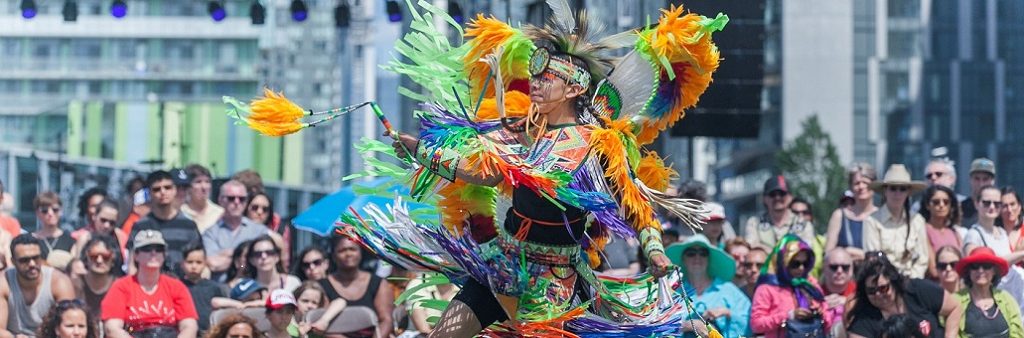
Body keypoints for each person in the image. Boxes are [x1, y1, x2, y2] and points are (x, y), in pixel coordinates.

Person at [101, 230, 199, 338]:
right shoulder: (121, 287)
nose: (153, 253)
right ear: (136, 255)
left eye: (158, 249)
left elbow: (189, 326)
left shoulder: (176, 287)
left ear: (164, 255)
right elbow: (112, 328)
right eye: (147, 249)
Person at [846, 253, 962, 338]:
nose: (878, 294)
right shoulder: (862, 321)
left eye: (883, 288)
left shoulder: (917, 289)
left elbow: (954, 308)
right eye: (871, 291)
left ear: (894, 282)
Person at [666, 235, 750, 337]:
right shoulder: (673, 293)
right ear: (683, 259)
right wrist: (689, 325)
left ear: (709, 259)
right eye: (691, 253)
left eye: (703, 253)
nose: (697, 257)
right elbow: (657, 327)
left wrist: (727, 313)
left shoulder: (729, 290)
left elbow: (750, 326)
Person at [749, 235, 830, 338]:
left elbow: (828, 320)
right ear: (783, 262)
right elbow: (756, 324)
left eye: (805, 263)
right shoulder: (767, 287)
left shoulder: (811, 286)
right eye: (795, 264)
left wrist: (820, 312)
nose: (801, 268)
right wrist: (789, 315)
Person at [127, 170, 202, 276]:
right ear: (149, 193)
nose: (163, 192)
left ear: (175, 190)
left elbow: (200, 261)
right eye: (157, 189)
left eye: (167, 187)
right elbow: (132, 265)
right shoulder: (140, 226)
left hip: (182, 287)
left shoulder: (189, 226)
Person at [318, 236, 393, 338]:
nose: (348, 254)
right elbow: (321, 324)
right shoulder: (322, 286)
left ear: (360, 253)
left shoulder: (378, 283)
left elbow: (386, 320)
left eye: (352, 249)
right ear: (334, 256)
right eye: (342, 250)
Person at [2, 234, 76, 337]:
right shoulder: (4, 282)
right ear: (13, 262)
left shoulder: (59, 282)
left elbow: (70, 326)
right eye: (24, 260)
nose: (32, 264)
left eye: (36, 258)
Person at [863, 164, 929, 278]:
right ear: (885, 191)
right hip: (883, 283)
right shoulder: (871, 221)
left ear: (908, 192)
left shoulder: (917, 221)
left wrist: (911, 280)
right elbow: (873, 260)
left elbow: (922, 260)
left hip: (912, 282)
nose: (897, 193)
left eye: (902, 189)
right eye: (893, 188)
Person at [203, 180, 271, 277]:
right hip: (220, 289)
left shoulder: (260, 231)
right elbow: (213, 264)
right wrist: (243, 256)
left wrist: (226, 254)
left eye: (242, 199)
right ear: (220, 200)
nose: (236, 202)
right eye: (231, 198)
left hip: (252, 289)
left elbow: (262, 262)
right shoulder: (210, 233)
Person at [954, 247, 1023, 337]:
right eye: (975, 266)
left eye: (986, 266)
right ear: (969, 271)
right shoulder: (955, 300)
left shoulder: (1007, 299)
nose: (980, 270)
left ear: (994, 271)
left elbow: (1018, 334)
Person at [745, 176, 815, 251]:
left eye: (782, 194)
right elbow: (751, 248)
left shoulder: (803, 224)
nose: (777, 198)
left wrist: (765, 249)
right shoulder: (754, 223)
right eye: (772, 194)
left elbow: (806, 252)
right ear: (764, 199)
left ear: (790, 197)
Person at [825, 162, 877, 260]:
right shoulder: (839, 215)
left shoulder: (881, 216)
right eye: (857, 183)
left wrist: (854, 252)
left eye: (865, 182)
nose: (861, 187)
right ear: (851, 187)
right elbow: (828, 253)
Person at [180, 244, 228, 335]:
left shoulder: (214, 287)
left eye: (199, 262)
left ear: (205, 263)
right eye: (190, 262)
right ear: (182, 263)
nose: (194, 266)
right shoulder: (177, 287)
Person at [70, 235, 123, 312]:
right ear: (86, 257)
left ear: (113, 259)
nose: (99, 261)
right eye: (94, 256)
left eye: (105, 257)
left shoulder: (120, 286)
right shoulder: (76, 283)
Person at [244, 192, 291, 273]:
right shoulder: (237, 231)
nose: (259, 212)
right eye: (255, 207)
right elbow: (240, 264)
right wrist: (243, 268)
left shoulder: (276, 238)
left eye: (265, 209)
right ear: (246, 208)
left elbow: (283, 266)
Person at [71, 199, 128, 264]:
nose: (107, 226)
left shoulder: (121, 237)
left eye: (112, 223)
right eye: (103, 220)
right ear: (94, 216)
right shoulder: (82, 238)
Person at [31, 192, 76, 269]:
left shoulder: (70, 241)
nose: (50, 213)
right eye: (45, 210)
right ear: (37, 213)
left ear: (61, 211)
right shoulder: (30, 240)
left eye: (55, 210)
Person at [819, 248, 855, 338]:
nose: (839, 271)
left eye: (845, 267)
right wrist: (820, 306)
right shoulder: (814, 292)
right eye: (834, 267)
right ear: (824, 268)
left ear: (852, 269)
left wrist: (848, 303)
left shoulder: (861, 292)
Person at [180, 164, 224, 233]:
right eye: (198, 182)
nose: (204, 187)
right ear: (188, 187)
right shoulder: (181, 212)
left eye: (207, 182)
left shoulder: (219, 213)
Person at [962, 158, 997, 227]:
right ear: (970, 180)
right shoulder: (960, 209)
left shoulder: (999, 207)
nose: (981, 184)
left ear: (993, 181)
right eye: (977, 179)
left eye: (985, 179)